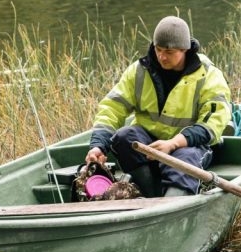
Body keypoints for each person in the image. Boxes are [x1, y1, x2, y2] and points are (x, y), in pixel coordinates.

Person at [84, 15, 231, 198]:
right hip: (151, 144)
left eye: (169, 52)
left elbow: (213, 125)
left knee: (183, 160)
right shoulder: (139, 71)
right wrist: (98, 145)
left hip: (190, 145)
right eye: (158, 49)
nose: (161, 56)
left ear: (184, 49)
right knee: (124, 137)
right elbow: (112, 108)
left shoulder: (209, 76)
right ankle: (151, 194)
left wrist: (173, 143)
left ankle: (173, 203)